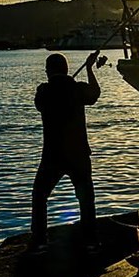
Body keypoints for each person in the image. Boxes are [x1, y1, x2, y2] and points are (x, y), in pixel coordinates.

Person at [29, 51, 101, 253]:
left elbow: (39, 105)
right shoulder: (77, 89)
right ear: (66, 69)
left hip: (53, 155)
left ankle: (40, 240)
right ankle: (91, 241)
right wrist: (89, 68)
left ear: (49, 71)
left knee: (39, 195)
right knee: (86, 198)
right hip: (78, 154)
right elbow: (95, 94)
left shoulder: (44, 91)